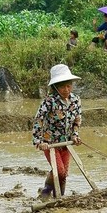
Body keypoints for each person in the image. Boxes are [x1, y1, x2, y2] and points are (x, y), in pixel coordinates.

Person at [32, 64, 83, 200]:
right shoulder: (49, 102)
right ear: (55, 87)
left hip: (66, 142)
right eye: (62, 87)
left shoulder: (75, 100)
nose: (66, 90)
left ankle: (59, 198)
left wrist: (75, 135)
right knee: (59, 172)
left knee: (64, 173)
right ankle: (46, 191)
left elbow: (77, 119)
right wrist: (40, 141)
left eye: (69, 86)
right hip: (50, 143)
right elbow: (39, 120)